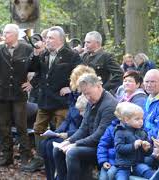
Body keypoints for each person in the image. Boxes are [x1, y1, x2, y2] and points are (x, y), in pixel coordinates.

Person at [22, 26, 82, 172]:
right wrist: (35, 54)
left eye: (50, 38)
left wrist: (71, 87)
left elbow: (80, 75)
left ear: (60, 40)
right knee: (38, 129)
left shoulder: (72, 55)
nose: (47, 41)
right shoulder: (43, 54)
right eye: (47, 38)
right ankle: (41, 159)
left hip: (62, 101)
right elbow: (32, 69)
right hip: (45, 100)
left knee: (60, 130)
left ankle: (58, 161)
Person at [0, 23, 33, 167]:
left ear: (16, 34)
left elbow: (38, 66)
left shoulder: (26, 48)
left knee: (21, 126)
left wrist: (32, 82)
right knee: (3, 126)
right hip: (2, 93)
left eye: (8, 33)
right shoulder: (0, 49)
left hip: (19, 94)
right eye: (4, 32)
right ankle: (7, 156)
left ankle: (25, 157)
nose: (4, 35)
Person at [53, 73, 118, 180]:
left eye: (89, 93)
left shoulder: (109, 105)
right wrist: (69, 141)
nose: (87, 97)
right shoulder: (91, 101)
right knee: (58, 149)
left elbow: (99, 136)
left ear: (98, 86)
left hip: (104, 148)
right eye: (84, 94)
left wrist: (75, 144)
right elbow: (83, 128)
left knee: (72, 152)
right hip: (92, 144)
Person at [41, 94, 87, 180]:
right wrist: (56, 132)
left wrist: (67, 134)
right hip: (67, 132)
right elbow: (67, 120)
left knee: (51, 145)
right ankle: (50, 177)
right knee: (44, 143)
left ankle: (58, 176)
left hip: (74, 135)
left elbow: (84, 130)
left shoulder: (85, 103)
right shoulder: (74, 99)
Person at [114, 102, 154, 179]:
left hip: (138, 164)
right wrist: (133, 146)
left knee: (150, 173)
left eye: (142, 118)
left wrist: (147, 149)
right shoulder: (120, 131)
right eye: (137, 119)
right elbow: (119, 148)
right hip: (123, 166)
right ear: (126, 120)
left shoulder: (142, 132)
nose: (141, 121)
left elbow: (148, 153)